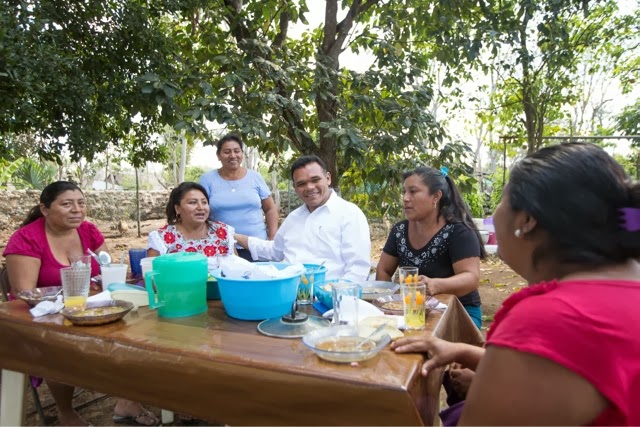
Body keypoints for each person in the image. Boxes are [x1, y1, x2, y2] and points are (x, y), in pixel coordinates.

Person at [391, 143, 640, 425]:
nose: (494, 215)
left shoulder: (549, 320)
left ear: (527, 220)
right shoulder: (619, 292)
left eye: (503, 197)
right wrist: (464, 352)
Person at [3, 181, 159, 426]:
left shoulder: (88, 231)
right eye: (67, 204)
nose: (77, 209)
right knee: (58, 347)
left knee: (138, 333)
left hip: (93, 308)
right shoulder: (26, 238)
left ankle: (127, 400)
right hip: (43, 315)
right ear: (44, 209)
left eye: (81, 203)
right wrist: (71, 301)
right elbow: (26, 292)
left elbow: (106, 269)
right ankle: (66, 413)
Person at [376, 166, 486, 328]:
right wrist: (388, 304)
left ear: (436, 197)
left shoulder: (459, 232)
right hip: (410, 311)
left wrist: (436, 284)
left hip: (458, 311)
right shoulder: (399, 231)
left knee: (426, 347)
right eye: (404, 192)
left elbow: (471, 278)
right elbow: (384, 270)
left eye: (413, 191)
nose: (405, 198)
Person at [235, 155, 371, 282]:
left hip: (328, 301)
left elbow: (358, 269)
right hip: (287, 295)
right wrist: (233, 236)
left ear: (328, 178)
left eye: (315, 180)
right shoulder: (294, 218)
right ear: (295, 188)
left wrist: (330, 296)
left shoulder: (350, 214)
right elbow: (275, 251)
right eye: (301, 184)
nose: (310, 187)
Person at [199, 133, 278, 261]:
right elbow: (200, 211)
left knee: (259, 279)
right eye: (227, 152)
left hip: (256, 246)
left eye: (237, 151)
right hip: (221, 247)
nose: (233, 155)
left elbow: (270, 209)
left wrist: (272, 238)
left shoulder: (255, 177)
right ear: (218, 156)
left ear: (242, 154)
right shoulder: (207, 180)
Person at [147, 182, 235, 258]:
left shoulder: (222, 232)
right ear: (177, 208)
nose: (201, 207)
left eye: (204, 202)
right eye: (192, 202)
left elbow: (237, 269)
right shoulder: (161, 238)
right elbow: (151, 274)